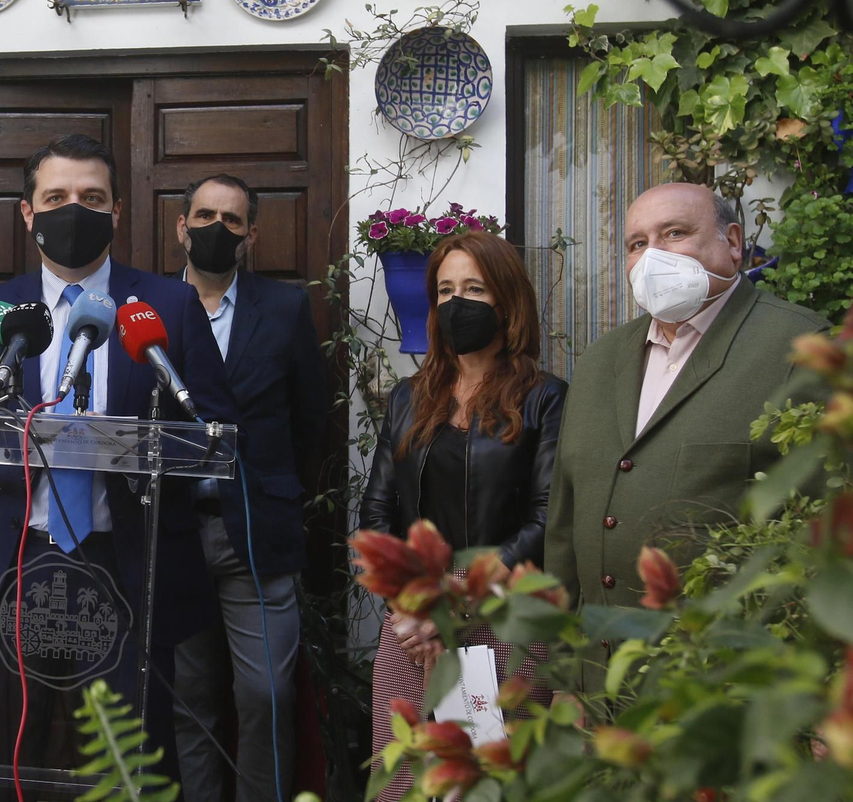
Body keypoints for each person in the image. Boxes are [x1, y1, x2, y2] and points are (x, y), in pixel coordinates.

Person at [0, 133, 237, 785]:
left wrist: (133, 445)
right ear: (27, 211)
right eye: (57, 196)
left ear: (118, 211)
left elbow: (212, 430)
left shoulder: (170, 305)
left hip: (128, 566)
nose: (75, 209)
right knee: (2, 764)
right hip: (12, 566)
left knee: (127, 768)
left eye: (92, 197)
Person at [545, 184, 828, 649]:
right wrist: (562, 677)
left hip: (719, 689)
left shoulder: (799, 349)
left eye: (674, 233)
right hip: (601, 685)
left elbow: (827, 536)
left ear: (732, 243)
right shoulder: (600, 361)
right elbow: (563, 529)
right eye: (638, 244)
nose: (654, 256)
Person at [361, 229, 566, 802]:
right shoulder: (408, 397)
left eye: (474, 288)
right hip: (412, 630)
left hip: (501, 624)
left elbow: (548, 518)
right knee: (406, 784)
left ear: (506, 300)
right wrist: (413, 601)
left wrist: (458, 597)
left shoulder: (544, 398)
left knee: (487, 786)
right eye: (445, 290)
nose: (457, 304)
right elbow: (377, 509)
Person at [167, 174, 323, 802]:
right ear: (181, 226)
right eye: (204, 215)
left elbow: (310, 420)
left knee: (267, 693)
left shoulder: (284, 308)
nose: (216, 229)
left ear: (251, 235)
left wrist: (280, 493)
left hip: (257, 532)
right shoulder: (143, 307)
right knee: (189, 697)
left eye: (232, 220)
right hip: (174, 531)